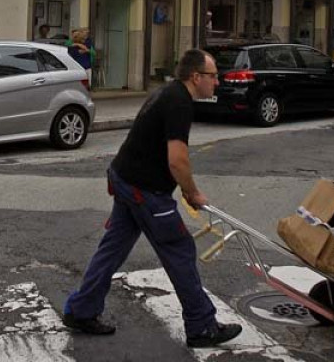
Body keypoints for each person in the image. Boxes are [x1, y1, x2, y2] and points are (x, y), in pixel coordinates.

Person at [62, 49, 243, 348]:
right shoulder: (179, 103)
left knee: (113, 248)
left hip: (125, 179)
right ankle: (201, 326)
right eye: (213, 76)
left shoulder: (169, 93)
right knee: (180, 249)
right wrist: (191, 191)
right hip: (144, 190)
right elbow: (177, 160)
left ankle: (81, 310)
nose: (218, 83)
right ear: (196, 77)